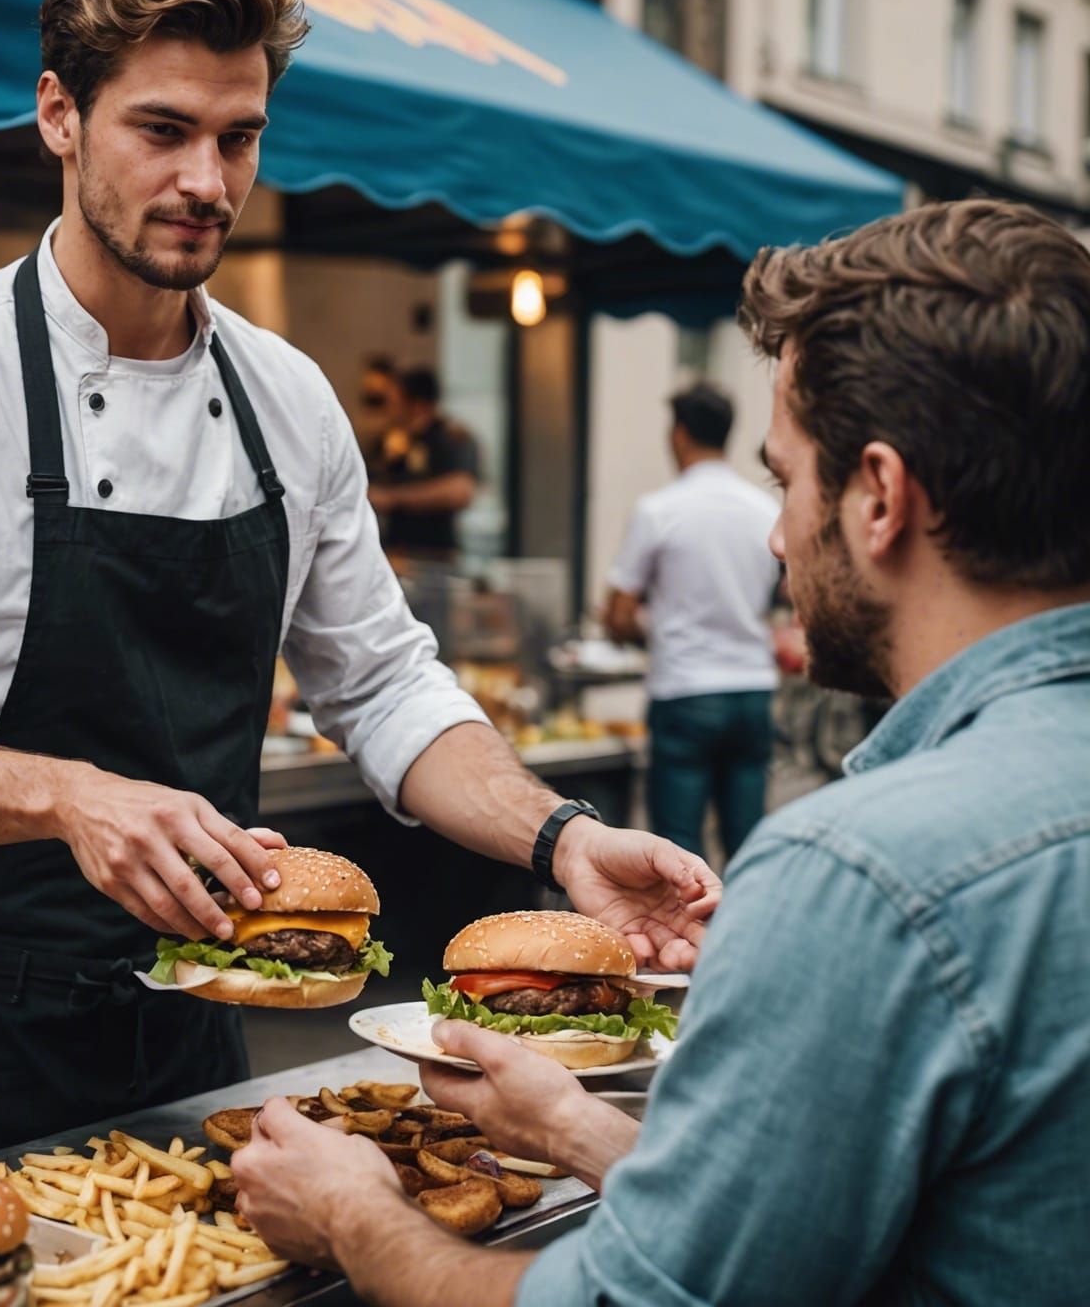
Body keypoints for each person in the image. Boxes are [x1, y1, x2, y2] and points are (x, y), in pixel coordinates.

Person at [0, 0, 720, 1163]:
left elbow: (380, 681)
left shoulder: (289, 400)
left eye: (239, 136)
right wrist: (66, 797)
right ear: (60, 115)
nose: (207, 182)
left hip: (209, 1020)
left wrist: (563, 836)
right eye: (163, 130)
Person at [229, 199, 1090, 1307]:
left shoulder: (863, 874)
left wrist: (354, 1215)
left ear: (879, 496)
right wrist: (569, 1125)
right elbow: (810, 1230)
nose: (777, 535)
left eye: (787, 481)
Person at [603, 382, 781, 860]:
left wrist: (650, 627)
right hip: (752, 689)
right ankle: (751, 934)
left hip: (685, 690)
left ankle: (691, 938)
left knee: (678, 850)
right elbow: (781, 596)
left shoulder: (659, 510)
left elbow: (618, 614)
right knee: (747, 845)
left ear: (679, 434)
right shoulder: (765, 509)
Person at [367, 366, 481, 559]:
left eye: (394, 402)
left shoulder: (450, 438)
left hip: (435, 553)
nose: (388, 409)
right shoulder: (386, 441)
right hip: (392, 551)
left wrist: (393, 498)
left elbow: (461, 490)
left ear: (417, 405)